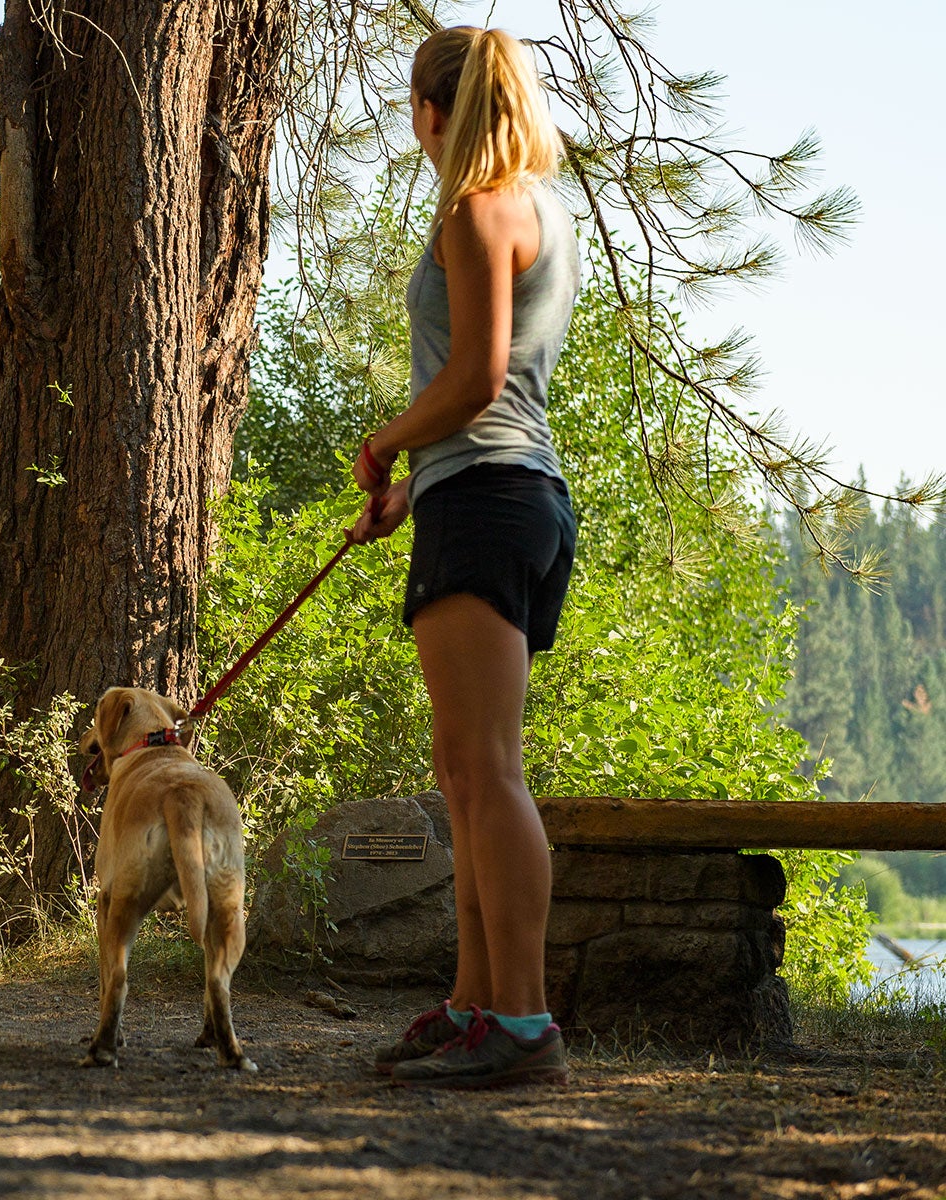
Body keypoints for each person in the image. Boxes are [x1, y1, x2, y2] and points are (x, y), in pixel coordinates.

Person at [351, 27, 579, 1088]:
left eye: (412, 104)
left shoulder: (478, 207)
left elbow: (479, 379)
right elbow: (505, 387)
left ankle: (522, 1024)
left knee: (486, 774)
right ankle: (476, 1004)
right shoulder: (541, 207)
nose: (411, 122)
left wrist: (391, 440)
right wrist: (412, 488)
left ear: (435, 110)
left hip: (486, 501)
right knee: (469, 774)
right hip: (505, 497)